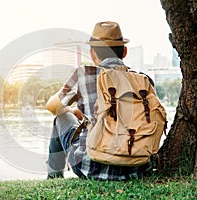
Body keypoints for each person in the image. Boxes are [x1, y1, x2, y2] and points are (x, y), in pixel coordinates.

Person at [46, 21, 152, 180]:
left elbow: (52, 106)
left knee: (60, 118)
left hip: (90, 166)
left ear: (92, 53)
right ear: (124, 52)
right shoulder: (144, 81)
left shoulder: (83, 74)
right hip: (137, 167)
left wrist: (71, 110)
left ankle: (54, 177)